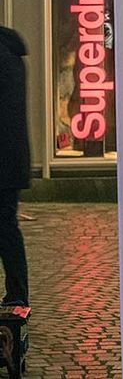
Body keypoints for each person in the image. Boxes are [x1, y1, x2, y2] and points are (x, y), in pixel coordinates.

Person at [0, 26, 30, 308]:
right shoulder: (10, 50)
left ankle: (18, 294)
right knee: (6, 228)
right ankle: (17, 293)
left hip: (4, 162)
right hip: (10, 161)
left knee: (5, 229)